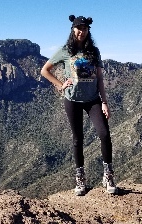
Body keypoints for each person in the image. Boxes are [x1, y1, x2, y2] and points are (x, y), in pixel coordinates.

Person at [40, 15, 117, 195]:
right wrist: (60, 85)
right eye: (78, 28)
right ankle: (80, 180)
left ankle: (108, 176)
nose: (81, 31)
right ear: (73, 29)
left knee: (104, 134)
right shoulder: (65, 51)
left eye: (84, 28)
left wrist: (104, 102)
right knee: (77, 139)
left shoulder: (94, 51)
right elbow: (45, 70)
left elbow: (99, 78)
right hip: (72, 100)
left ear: (88, 30)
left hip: (93, 100)